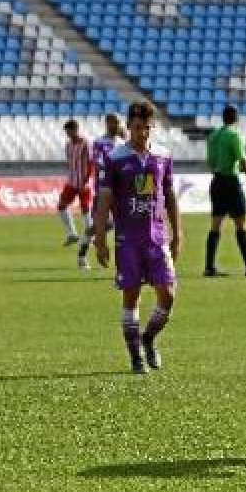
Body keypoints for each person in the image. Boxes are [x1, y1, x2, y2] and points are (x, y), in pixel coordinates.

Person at [93, 101, 180, 374]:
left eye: (147, 128)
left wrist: (178, 233)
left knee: (168, 296)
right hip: (128, 240)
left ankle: (149, 339)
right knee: (132, 298)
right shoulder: (115, 158)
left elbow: (169, 196)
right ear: (128, 126)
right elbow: (104, 199)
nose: (143, 133)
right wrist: (99, 238)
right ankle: (135, 356)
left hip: (157, 238)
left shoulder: (163, 156)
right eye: (138, 127)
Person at [204, 105, 246, 277]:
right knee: (241, 224)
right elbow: (243, 160)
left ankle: (209, 267)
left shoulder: (214, 136)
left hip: (216, 181)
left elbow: (210, 161)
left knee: (216, 225)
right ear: (236, 118)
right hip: (231, 181)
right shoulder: (235, 135)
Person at [76, 113, 127, 270]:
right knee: (99, 226)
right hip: (103, 191)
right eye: (114, 122)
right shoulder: (99, 143)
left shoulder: (123, 143)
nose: (116, 125)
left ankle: (123, 264)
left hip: (121, 192)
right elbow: (99, 164)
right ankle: (82, 254)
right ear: (107, 123)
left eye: (118, 122)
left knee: (121, 225)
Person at [58, 119, 93, 247]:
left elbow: (90, 164)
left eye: (69, 132)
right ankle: (72, 233)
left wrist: (86, 180)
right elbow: (70, 162)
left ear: (75, 129)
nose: (68, 135)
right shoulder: (68, 145)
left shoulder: (85, 144)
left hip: (84, 183)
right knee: (61, 205)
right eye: (66, 132)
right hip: (72, 181)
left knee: (85, 209)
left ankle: (91, 235)